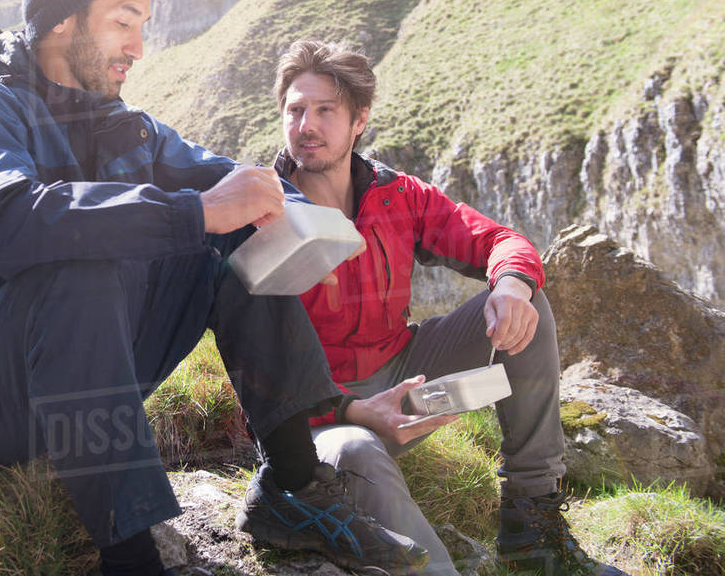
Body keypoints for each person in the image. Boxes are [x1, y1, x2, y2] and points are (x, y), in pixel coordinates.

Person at [0, 0, 428, 576]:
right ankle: (133, 555)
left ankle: (293, 485)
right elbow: (8, 223)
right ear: (63, 18)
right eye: (123, 22)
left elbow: (224, 184)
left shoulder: (121, 124)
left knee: (230, 235)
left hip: (76, 380)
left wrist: (286, 207)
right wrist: (195, 210)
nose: (138, 47)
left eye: (143, 24)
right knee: (81, 262)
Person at [255, 38, 629, 576]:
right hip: (319, 417)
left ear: (359, 120)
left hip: (403, 380)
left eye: (324, 110)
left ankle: (532, 524)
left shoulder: (396, 196)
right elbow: (256, 367)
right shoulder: (263, 211)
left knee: (527, 303)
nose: (305, 125)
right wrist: (351, 410)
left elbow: (498, 240)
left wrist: (511, 288)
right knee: (357, 451)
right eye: (295, 110)